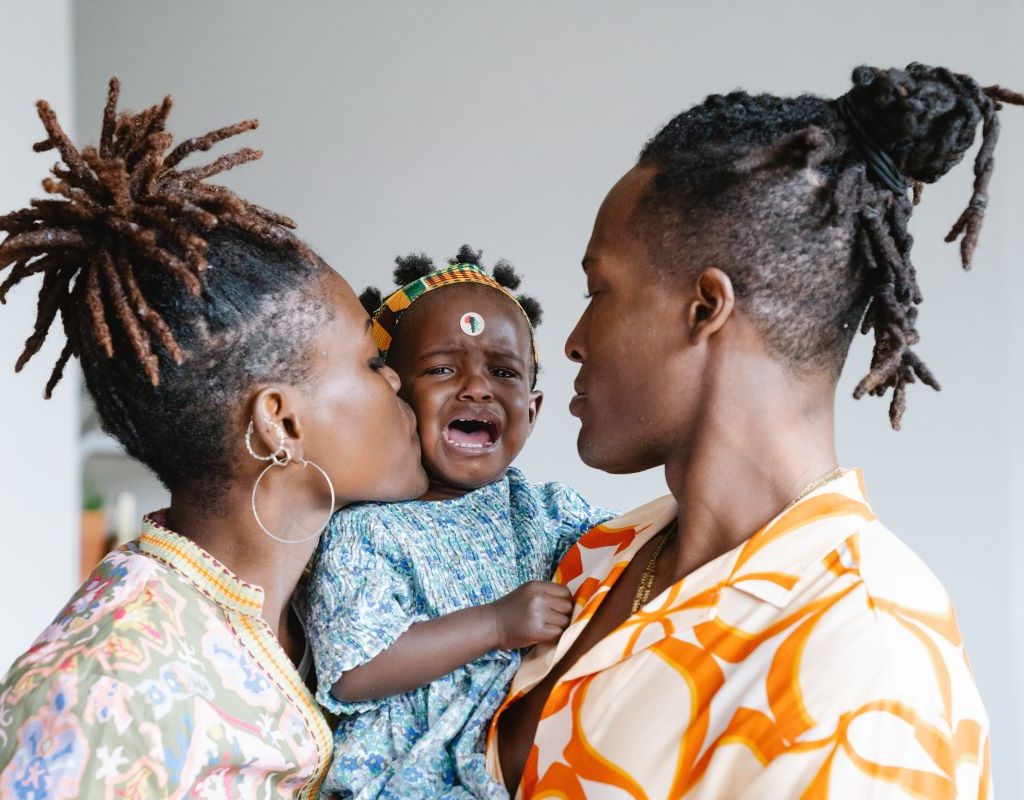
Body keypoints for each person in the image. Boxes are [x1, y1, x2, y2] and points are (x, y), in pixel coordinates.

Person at [487, 63, 1023, 798]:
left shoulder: (867, 668)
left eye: (598, 291)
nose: (574, 341)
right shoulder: (600, 554)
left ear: (706, 307)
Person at [0, 78, 427, 798]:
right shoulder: (103, 692)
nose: (401, 385)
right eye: (374, 362)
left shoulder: (349, 606)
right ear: (281, 423)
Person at [306, 247, 614, 799]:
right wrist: (496, 626)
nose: (477, 388)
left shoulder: (545, 511)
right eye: (442, 368)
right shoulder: (366, 529)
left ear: (533, 410)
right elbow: (355, 671)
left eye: (503, 371)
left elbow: (642, 547)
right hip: (406, 779)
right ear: (391, 399)